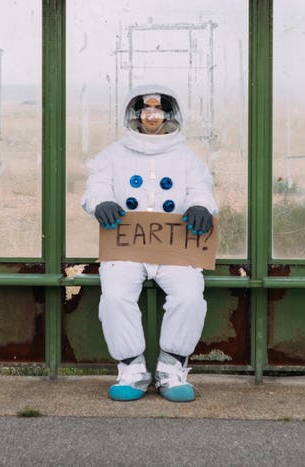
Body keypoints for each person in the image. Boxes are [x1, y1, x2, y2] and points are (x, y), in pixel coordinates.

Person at [81, 84, 216, 402]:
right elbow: (95, 186)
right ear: (136, 114)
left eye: (157, 110)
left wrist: (200, 206)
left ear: (169, 114)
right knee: (114, 296)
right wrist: (101, 202)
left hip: (174, 247)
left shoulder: (186, 157)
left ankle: (172, 365)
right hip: (125, 246)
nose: (151, 116)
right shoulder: (113, 155)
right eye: (146, 110)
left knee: (189, 296)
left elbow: (202, 188)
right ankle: (131, 367)